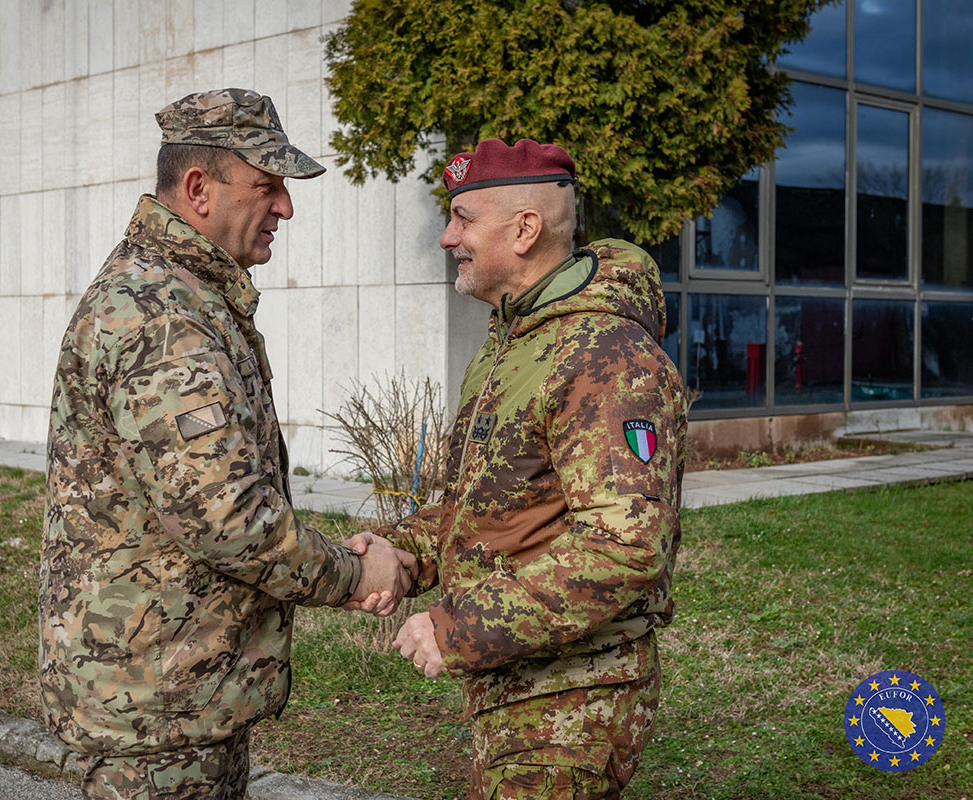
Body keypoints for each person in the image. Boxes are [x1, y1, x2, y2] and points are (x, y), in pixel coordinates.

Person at [39, 88, 416, 800]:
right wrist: (355, 575)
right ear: (198, 188)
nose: (286, 208)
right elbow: (231, 521)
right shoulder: (161, 316)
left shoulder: (182, 296)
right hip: (152, 715)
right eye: (267, 187)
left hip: (170, 695)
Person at [373, 138, 687, 799]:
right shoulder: (514, 340)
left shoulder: (606, 356)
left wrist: (457, 629)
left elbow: (624, 548)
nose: (446, 237)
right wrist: (404, 553)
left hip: (573, 697)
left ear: (524, 229)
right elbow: (490, 503)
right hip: (519, 680)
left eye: (464, 218)